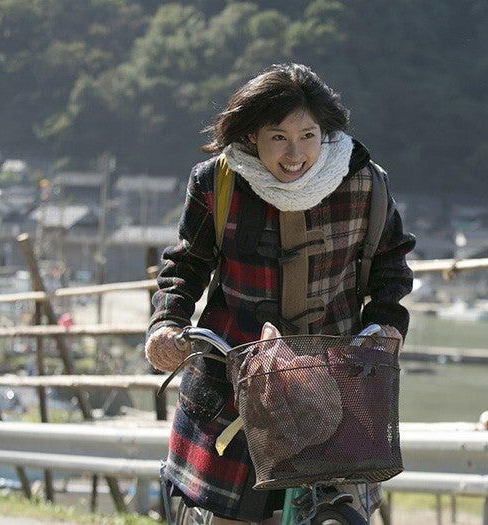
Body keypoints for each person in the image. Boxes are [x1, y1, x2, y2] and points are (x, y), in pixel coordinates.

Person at [144, 63, 415, 525]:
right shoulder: (217, 181)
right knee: (233, 515)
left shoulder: (365, 183)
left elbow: (392, 266)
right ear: (251, 136)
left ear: (324, 132)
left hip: (334, 377)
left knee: (334, 508)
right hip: (235, 373)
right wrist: (167, 324)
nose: (295, 154)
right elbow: (186, 263)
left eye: (308, 136)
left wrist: (386, 324)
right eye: (278, 137)